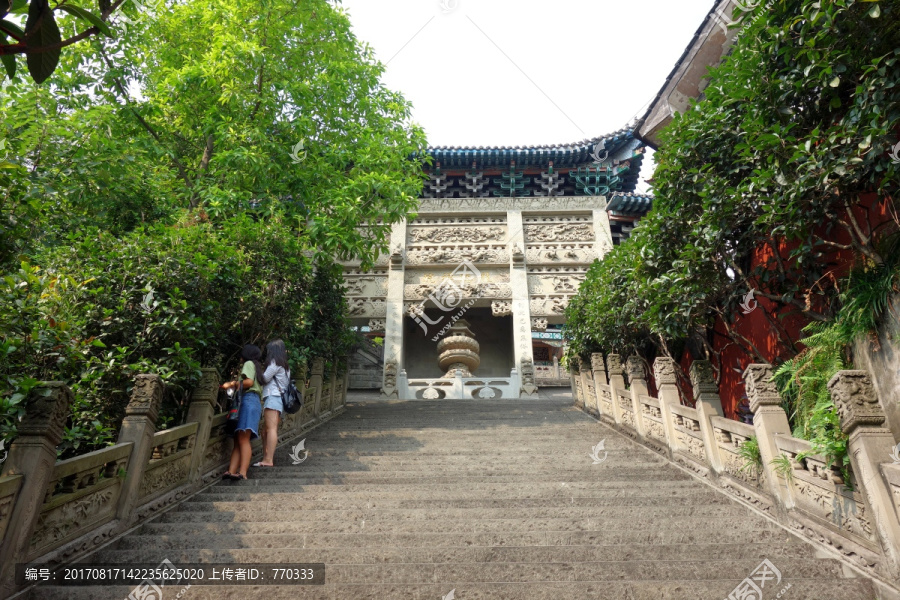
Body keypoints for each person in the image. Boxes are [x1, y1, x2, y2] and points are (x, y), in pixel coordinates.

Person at [220, 344, 264, 480]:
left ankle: (243, 472)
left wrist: (232, 384)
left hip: (249, 401)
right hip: (252, 402)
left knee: (243, 439)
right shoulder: (256, 366)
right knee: (239, 440)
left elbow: (249, 382)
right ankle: (231, 470)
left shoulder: (249, 363)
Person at [255, 339, 290, 467]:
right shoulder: (285, 366)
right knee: (265, 431)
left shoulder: (274, 363)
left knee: (270, 429)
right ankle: (265, 458)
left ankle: (268, 460)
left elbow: (264, 379)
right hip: (279, 400)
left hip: (273, 397)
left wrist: (257, 369)